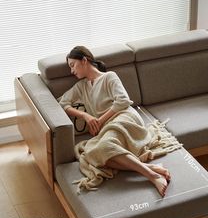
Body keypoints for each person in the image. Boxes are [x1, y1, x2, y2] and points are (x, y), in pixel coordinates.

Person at [59, 46, 173, 197]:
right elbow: (62, 103)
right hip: (108, 126)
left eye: (73, 65)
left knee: (105, 147)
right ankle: (150, 167)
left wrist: (99, 121)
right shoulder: (80, 87)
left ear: (84, 60)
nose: (72, 71)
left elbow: (123, 101)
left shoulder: (109, 77)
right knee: (94, 154)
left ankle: (153, 176)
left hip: (125, 117)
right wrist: (86, 117)